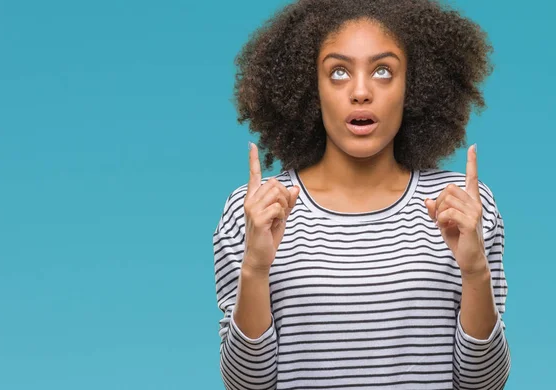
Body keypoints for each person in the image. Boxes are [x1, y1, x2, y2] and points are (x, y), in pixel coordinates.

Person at [212, 0, 509, 388]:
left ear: (413, 87)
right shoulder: (256, 212)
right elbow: (245, 385)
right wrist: (254, 269)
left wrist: (475, 273)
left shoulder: (463, 207)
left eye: (383, 71)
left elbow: (484, 384)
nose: (361, 92)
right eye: (338, 72)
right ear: (309, 88)